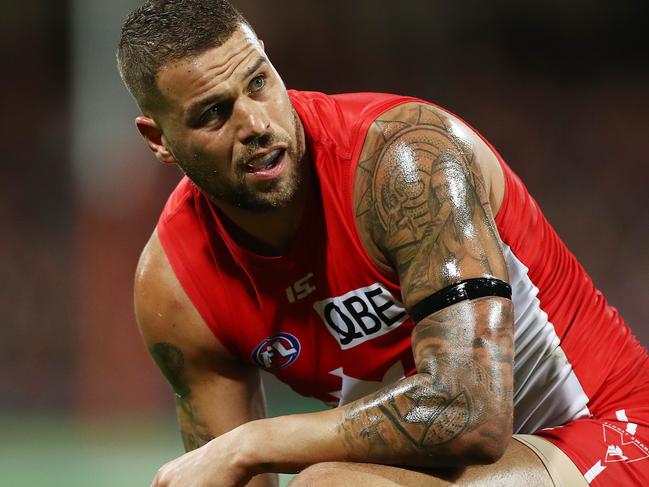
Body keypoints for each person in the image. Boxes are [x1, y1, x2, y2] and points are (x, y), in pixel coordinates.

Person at [117, 1, 649, 486]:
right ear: (158, 139)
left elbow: (470, 411)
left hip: (608, 434)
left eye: (259, 83)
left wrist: (256, 442)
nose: (256, 123)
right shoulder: (176, 287)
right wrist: (241, 456)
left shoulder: (405, 162)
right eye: (213, 113)